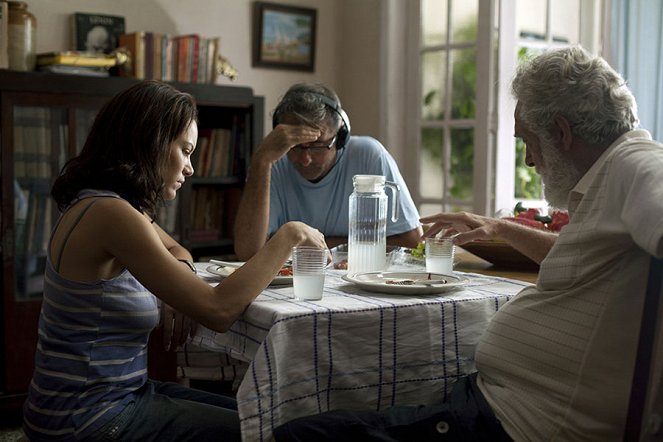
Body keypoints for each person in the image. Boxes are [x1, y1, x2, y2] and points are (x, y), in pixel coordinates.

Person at [272, 46, 663, 441]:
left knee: (299, 434)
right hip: (491, 401)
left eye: (527, 141)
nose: (529, 161)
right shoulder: (607, 181)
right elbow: (574, 258)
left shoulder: (637, 165)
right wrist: (501, 228)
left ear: (561, 131)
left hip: (509, 424)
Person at [22, 80, 326, 442]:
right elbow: (217, 311)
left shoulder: (104, 203)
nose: (190, 168)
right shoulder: (111, 213)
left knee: (259, 415)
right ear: (149, 140)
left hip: (112, 397)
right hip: (87, 418)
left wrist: (176, 287)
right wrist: (287, 236)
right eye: (184, 150)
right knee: (266, 432)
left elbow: (179, 251)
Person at [233, 83, 422, 261]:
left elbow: (412, 242)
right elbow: (248, 253)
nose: (305, 159)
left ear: (340, 138)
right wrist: (261, 161)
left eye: (318, 146)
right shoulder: (271, 162)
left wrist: (299, 243)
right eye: (296, 146)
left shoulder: (370, 155)